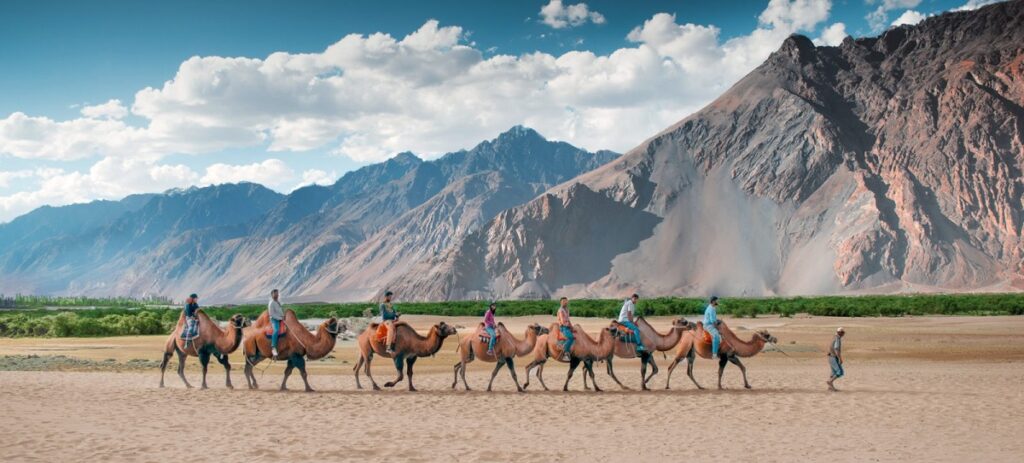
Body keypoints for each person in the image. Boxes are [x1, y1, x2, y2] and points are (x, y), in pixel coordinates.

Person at [268, 289, 285, 359]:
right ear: (272, 295)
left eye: (277, 294)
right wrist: (280, 318)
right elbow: (271, 314)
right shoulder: (271, 303)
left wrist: (283, 316)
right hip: (274, 320)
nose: (277, 295)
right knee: (276, 330)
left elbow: (280, 311)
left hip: (281, 318)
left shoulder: (278, 302)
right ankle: (273, 347)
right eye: (275, 294)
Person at [827, 327, 845, 391]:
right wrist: (840, 358)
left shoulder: (834, 337)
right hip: (833, 357)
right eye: (843, 332)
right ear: (841, 333)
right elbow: (836, 348)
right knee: (840, 372)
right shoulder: (837, 338)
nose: (844, 334)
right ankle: (830, 381)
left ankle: (830, 387)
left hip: (830, 357)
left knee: (833, 372)